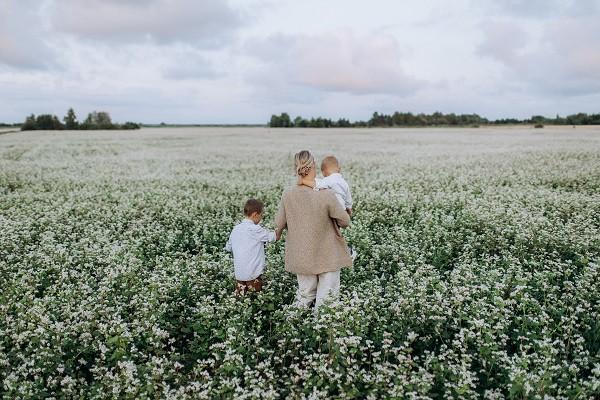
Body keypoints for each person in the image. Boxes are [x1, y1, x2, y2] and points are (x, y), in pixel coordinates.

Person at [275, 150, 353, 310]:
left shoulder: (288, 194)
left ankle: (291, 327)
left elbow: (279, 223)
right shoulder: (326, 194)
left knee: (304, 296)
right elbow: (345, 221)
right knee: (326, 301)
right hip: (327, 256)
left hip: (302, 256)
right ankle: (323, 332)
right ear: (314, 167)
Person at [225, 199, 278, 295]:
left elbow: (228, 248)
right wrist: (281, 227)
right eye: (261, 215)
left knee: (241, 301)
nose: (261, 218)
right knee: (256, 299)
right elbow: (274, 237)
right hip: (253, 276)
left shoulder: (236, 229)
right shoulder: (255, 229)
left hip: (239, 276)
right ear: (255, 214)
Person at [315, 155, 357, 260]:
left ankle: (341, 251)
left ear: (324, 172)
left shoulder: (326, 180)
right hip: (341, 211)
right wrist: (349, 209)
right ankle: (347, 251)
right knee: (336, 233)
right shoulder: (344, 183)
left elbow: (317, 188)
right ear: (339, 169)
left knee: (328, 234)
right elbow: (348, 198)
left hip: (330, 211)